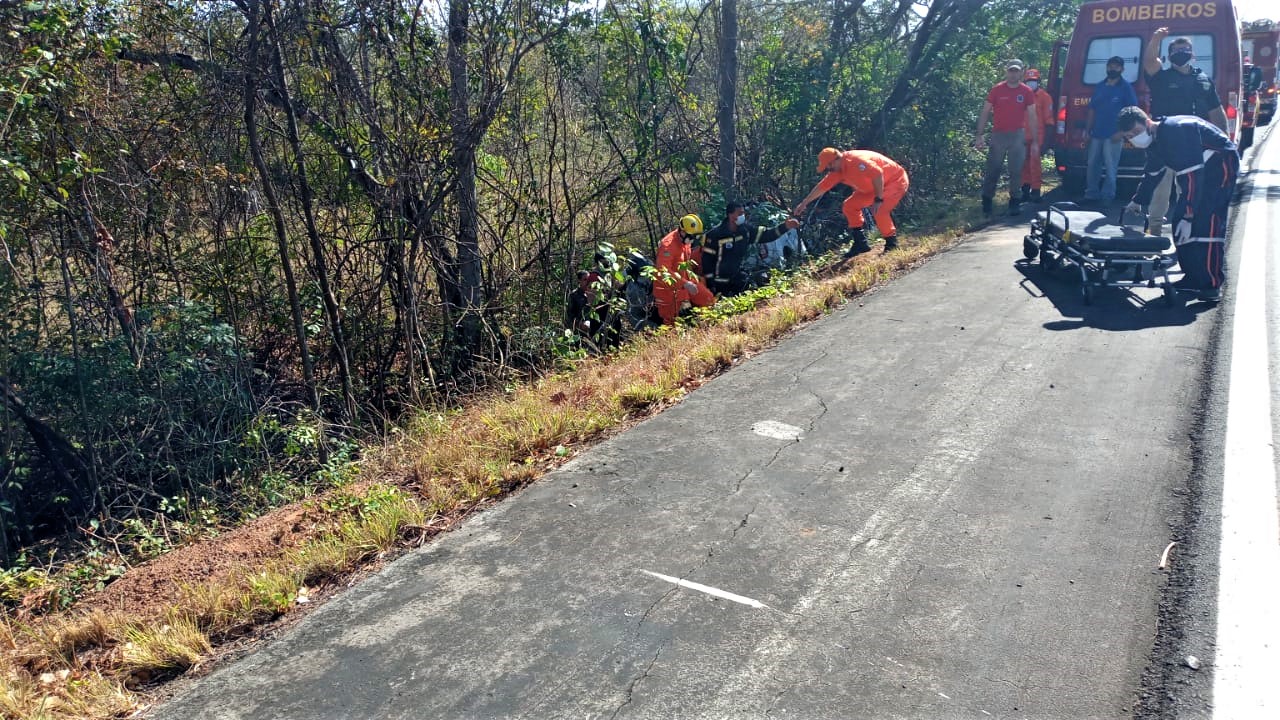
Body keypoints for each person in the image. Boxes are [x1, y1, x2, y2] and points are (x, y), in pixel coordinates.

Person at [1119, 106, 1237, 302]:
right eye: (1129, 136)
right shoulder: (1155, 143)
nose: (1134, 138)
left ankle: (1211, 285)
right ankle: (1192, 278)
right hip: (1199, 172)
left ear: (1148, 122)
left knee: (1206, 222)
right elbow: (1152, 174)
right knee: (1179, 223)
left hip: (1220, 166)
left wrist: (1189, 215)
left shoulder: (1175, 131)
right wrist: (1138, 200)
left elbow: (1191, 175)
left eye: (1137, 132)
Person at [1142, 28, 1228, 235]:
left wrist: (1224, 140)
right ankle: (1154, 232)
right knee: (1160, 189)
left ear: (1193, 54)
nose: (1181, 52)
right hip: (1164, 142)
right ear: (1169, 55)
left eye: (1185, 49)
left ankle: (1186, 232)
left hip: (1193, 144)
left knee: (1190, 189)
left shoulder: (1203, 79)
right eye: (1177, 50)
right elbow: (1149, 62)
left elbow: (1216, 110)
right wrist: (1156, 38)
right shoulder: (1161, 78)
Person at [793, 147, 910, 258]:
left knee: (880, 210)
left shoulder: (857, 161)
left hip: (894, 181)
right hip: (872, 188)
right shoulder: (838, 170)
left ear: (836, 160)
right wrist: (804, 203)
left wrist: (878, 199)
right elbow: (822, 187)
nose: (829, 169)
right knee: (849, 206)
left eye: (829, 166)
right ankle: (861, 243)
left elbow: (878, 174)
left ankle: (891, 243)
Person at [974, 59, 1040, 215]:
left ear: (1021, 72)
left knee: (1016, 170)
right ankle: (987, 200)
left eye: (1016, 71)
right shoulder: (997, 90)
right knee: (993, 169)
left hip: (1017, 135)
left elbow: (1032, 116)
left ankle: (1015, 201)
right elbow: (985, 112)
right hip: (998, 135)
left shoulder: (1026, 92)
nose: (1013, 74)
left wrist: (1035, 141)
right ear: (1006, 71)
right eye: (1011, 70)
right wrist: (979, 135)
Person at [702, 202, 802, 294]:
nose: (743, 216)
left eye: (743, 213)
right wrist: (711, 285)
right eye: (740, 213)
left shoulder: (745, 231)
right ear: (730, 215)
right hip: (719, 283)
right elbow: (707, 262)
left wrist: (785, 226)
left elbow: (767, 235)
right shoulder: (715, 235)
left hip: (737, 278)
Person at [1083, 56, 1139, 204]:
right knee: (1092, 165)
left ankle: (1107, 197)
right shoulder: (1100, 86)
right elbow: (1092, 110)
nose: (1112, 69)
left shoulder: (1126, 87)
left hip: (1114, 134)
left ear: (1122, 69)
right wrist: (1087, 131)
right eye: (1110, 66)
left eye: (1116, 67)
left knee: (1110, 167)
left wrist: (1122, 133)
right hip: (1096, 133)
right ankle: (1091, 194)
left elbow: (1133, 111)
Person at [653, 214, 716, 324]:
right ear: (682, 232)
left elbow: (687, 262)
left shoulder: (685, 241)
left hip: (686, 282)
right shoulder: (668, 246)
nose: (693, 240)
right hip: (668, 289)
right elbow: (663, 271)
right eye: (692, 237)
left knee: (708, 299)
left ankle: (705, 328)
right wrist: (685, 284)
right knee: (672, 323)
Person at [1019, 68, 1055, 204]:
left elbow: (1050, 122)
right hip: (1021, 137)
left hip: (1037, 138)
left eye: (1033, 81)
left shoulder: (1045, 97)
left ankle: (1036, 191)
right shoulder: (1020, 96)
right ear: (1025, 81)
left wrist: (1047, 142)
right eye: (1029, 81)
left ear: (1038, 81)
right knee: (1023, 165)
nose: (1031, 83)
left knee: (1035, 166)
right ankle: (1024, 191)